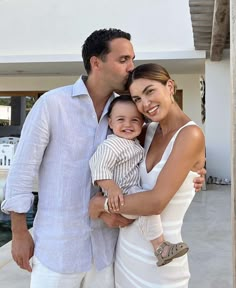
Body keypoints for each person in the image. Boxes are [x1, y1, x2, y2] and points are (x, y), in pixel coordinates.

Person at [1, 28, 205, 288]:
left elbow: (164, 153)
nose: (131, 67)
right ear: (96, 63)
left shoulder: (127, 114)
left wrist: (195, 170)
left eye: (132, 59)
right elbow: (22, 170)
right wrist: (19, 232)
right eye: (123, 60)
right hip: (59, 251)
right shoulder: (52, 105)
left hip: (107, 251)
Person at [89, 63, 206, 287]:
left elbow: (155, 203)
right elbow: (116, 160)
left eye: (150, 91)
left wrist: (99, 204)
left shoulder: (190, 135)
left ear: (170, 86)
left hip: (161, 261)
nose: (145, 104)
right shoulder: (148, 131)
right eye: (136, 99)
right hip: (126, 253)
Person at [89, 95, 189, 267]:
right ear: (110, 123)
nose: (128, 125)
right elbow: (98, 166)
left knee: (146, 208)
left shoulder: (135, 144)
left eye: (135, 120)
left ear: (142, 123)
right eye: (121, 119)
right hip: (122, 196)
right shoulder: (111, 145)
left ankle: (159, 247)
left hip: (130, 193)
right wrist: (112, 189)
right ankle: (160, 247)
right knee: (147, 205)